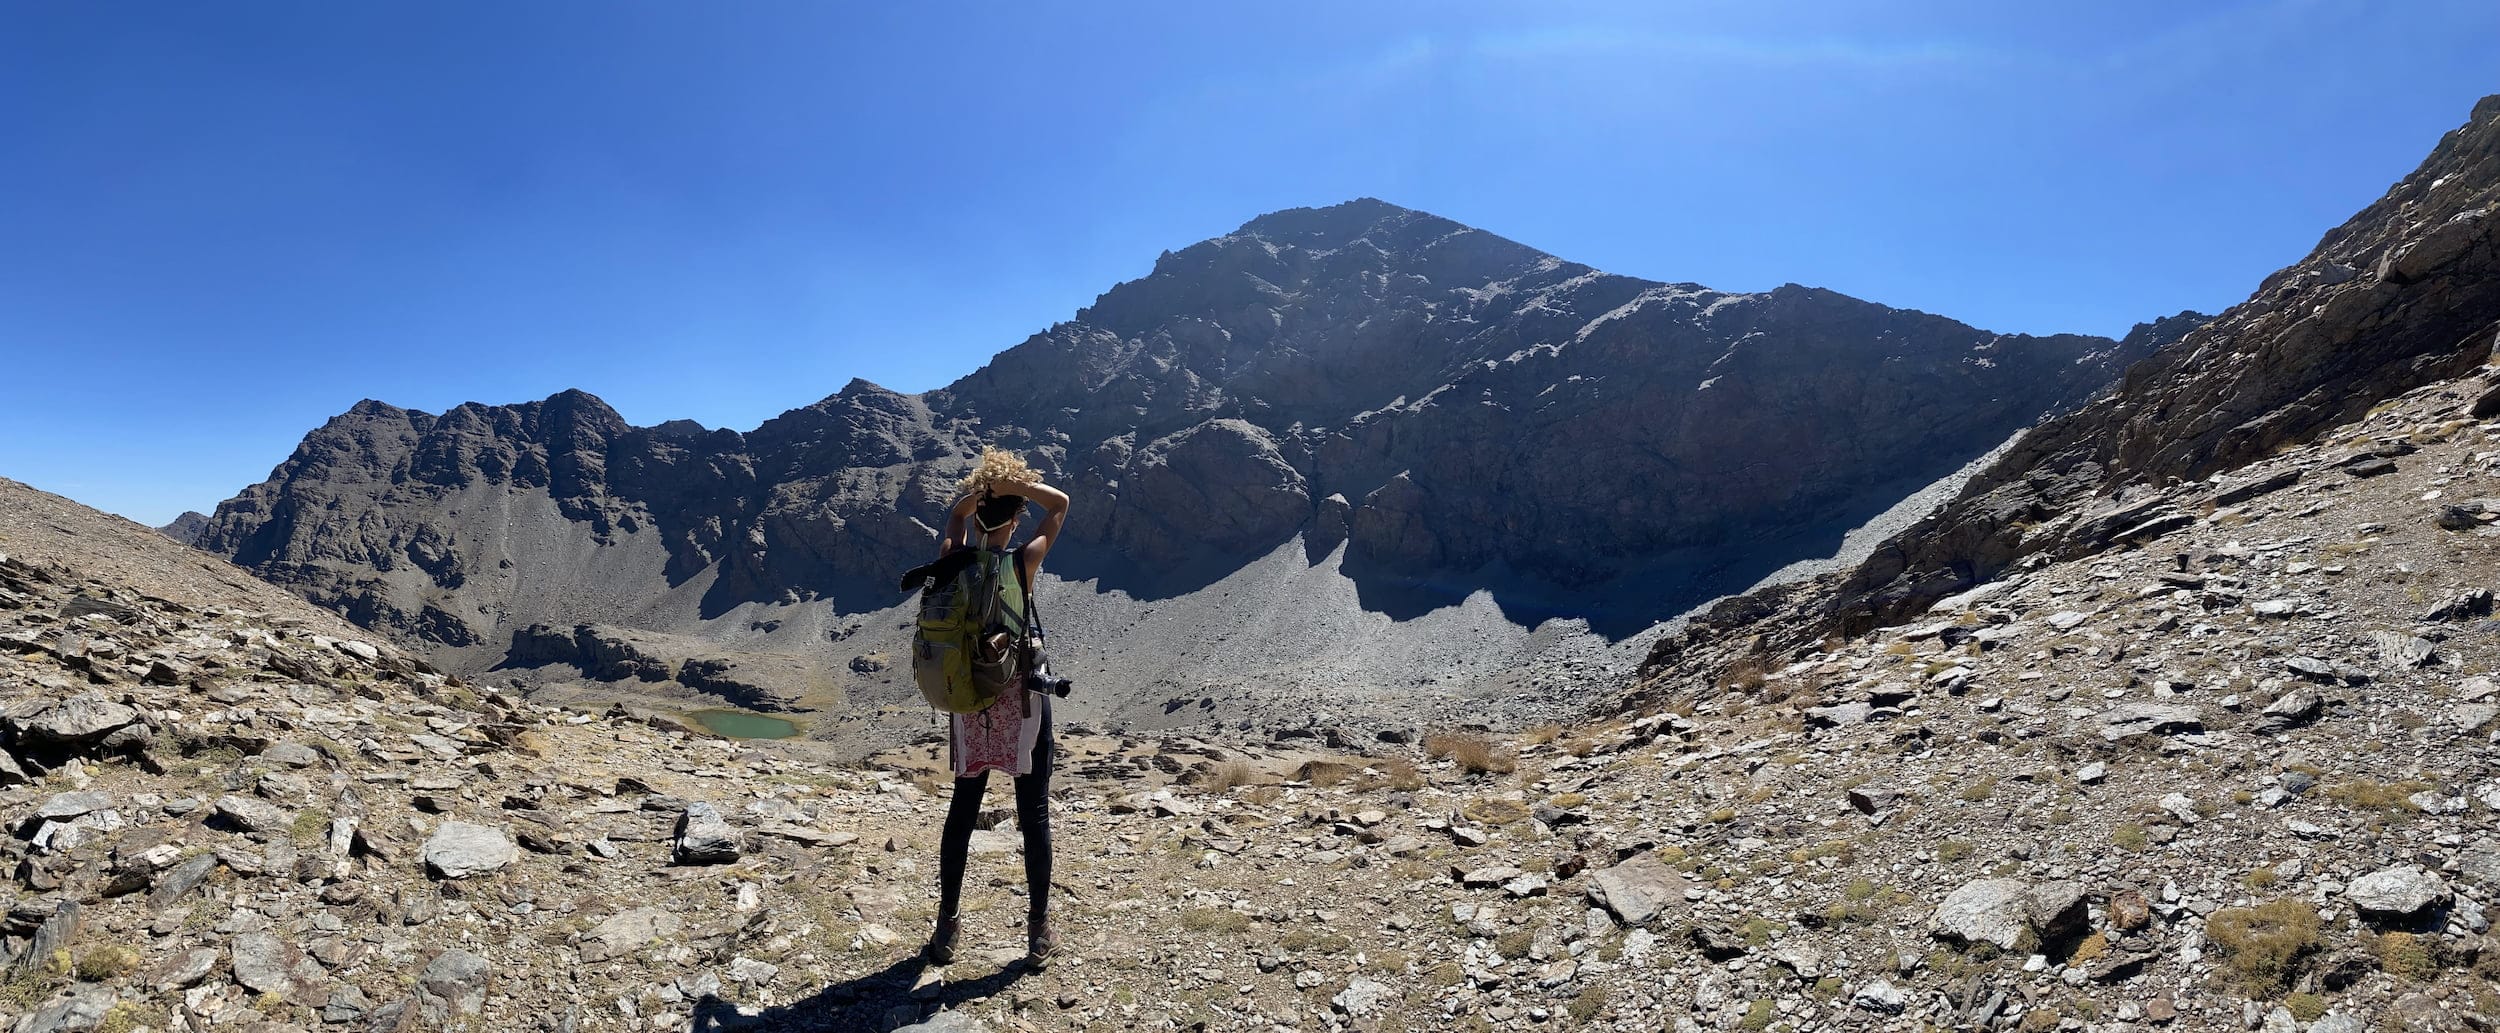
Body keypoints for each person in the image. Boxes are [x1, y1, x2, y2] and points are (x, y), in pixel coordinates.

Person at [924, 446, 1070, 969]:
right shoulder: (1022, 563)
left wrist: (980, 494)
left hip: (970, 703)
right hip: (1020, 701)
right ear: (1012, 522)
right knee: (1033, 813)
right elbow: (1061, 506)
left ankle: (946, 929)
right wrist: (1018, 488)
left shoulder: (951, 560)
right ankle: (1037, 932)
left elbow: (956, 517)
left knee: (962, 812)